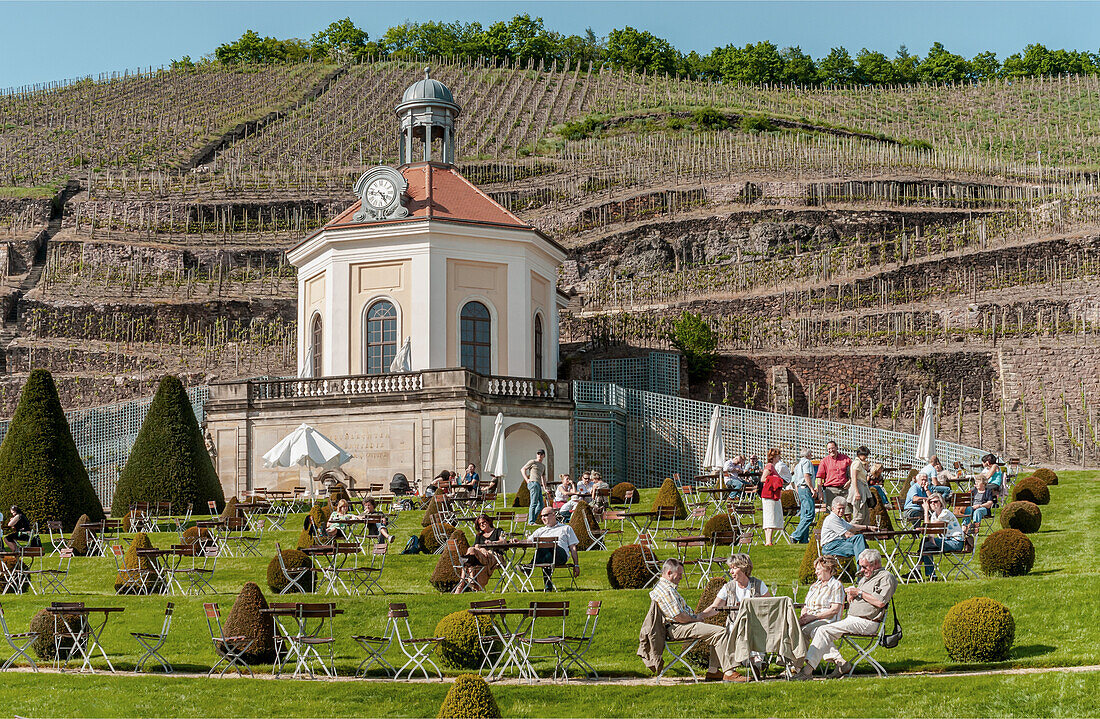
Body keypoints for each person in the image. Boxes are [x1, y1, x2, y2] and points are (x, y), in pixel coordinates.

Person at [795, 548, 897, 680]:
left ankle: (807, 671)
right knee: (819, 630)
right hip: (852, 619)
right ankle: (841, 665)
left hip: (867, 622)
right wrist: (852, 597)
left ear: (876, 563)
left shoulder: (886, 577)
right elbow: (863, 596)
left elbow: (880, 602)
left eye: (865, 566)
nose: (862, 569)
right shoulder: (865, 577)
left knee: (822, 630)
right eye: (861, 566)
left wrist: (859, 593)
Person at [647, 558, 744, 682]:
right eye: (680, 574)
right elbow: (679, 617)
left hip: (678, 625)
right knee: (720, 632)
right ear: (669, 573)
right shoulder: (666, 590)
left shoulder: (665, 588)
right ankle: (729, 672)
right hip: (677, 627)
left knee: (716, 632)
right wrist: (695, 619)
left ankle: (713, 671)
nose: (682, 577)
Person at [798, 555, 846, 662]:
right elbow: (806, 605)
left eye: (818, 569)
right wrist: (803, 615)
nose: (816, 572)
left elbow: (834, 610)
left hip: (828, 621)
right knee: (795, 628)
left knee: (807, 630)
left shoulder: (836, 585)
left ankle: (796, 665)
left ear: (828, 569)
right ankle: (840, 661)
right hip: (811, 620)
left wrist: (813, 618)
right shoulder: (814, 586)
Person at [528, 506, 580, 591]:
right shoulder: (540, 530)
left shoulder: (566, 528)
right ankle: (548, 588)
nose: (542, 518)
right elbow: (528, 541)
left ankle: (529, 567)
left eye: (545, 515)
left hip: (560, 556)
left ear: (553, 515)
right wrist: (517, 541)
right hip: (546, 556)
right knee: (545, 551)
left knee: (549, 546)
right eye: (541, 516)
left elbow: (573, 547)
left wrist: (576, 565)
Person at [453, 514, 505, 593]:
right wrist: (482, 549)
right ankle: (464, 581)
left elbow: (503, 541)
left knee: (468, 558)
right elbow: (474, 548)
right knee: (471, 552)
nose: (482, 525)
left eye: (484, 522)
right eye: (480, 524)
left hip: (494, 556)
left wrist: (492, 543)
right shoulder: (479, 536)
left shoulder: (498, 531)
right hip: (481, 559)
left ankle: (461, 584)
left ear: (488, 521)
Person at [918, 493, 965, 579]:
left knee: (925, 543)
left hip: (956, 542)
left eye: (935, 502)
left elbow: (928, 527)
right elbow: (930, 533)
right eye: (930, 502)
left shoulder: (945, 513)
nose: (933, 504)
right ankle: (928, 574)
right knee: (926, 544)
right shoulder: (934, 516)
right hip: (945, 541)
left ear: (941, 502)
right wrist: (931, 542)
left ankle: (920, 570)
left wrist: (925, 511)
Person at [790, 449, 817, 544]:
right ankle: (795, 535)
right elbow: (807, 476)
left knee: (804, 514)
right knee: (810, 514)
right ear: (809, 454)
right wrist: (812, 488)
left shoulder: (797, 465)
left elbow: (795, 480)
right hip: (805, 488)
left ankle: (803, 539)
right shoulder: (807, 462)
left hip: (800, 489)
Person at [816, 441, 852, 510]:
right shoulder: (824, 461)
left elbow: (854, 471)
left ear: (836, 447)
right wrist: (820, 492)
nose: (831, 450)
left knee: (847, 512)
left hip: (844, 489)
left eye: (832, 448)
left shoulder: (845, 459)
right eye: (829, 449)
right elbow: (819, 477)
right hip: (831, 490)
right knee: (831, 511)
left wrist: (850, 481)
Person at [760, 449, 785, 546]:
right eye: (778, 456)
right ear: (774, 457)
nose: (780, 458)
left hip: (772, 495)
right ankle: (768, 541)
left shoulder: (772, 466)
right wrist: (776, 480)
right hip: (770, 494)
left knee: (770, 516)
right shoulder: (769, 466)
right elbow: (763, 479)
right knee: (770, 516)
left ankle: (768, 541)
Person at [522, 449, 548, 525]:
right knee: (534, 503)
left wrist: (545, 488)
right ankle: (531, 521)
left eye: (541, 454)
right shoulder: (533, 462)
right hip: (533, 483)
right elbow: (523, 469)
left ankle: (533, 519)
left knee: (541, 505)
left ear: (544, 456)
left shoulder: (543, 466)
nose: (539, 455)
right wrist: (527, 479)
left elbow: (543, 477)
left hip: (538, 485)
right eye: (538, 454)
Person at [848, 446, 872, 526]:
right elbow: (854, 478)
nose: (866, 457)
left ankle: (864, 534)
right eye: (864, 455)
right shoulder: (857, 463)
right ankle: (847, 530)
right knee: (859, 516)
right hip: (858, 488)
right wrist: (857, 492)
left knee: (865, 516)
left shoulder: (860, 463)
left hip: (862, 488)